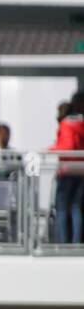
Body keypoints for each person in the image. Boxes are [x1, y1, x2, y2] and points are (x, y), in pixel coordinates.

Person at [51, 91, 84, 244]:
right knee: (76, 208)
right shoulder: (82, 124)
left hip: (67, 169)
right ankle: (76, 242)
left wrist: (50, 150)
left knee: (62, 209)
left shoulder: (67, 124)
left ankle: (63, 244)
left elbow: (67, 146)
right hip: (80, 169)